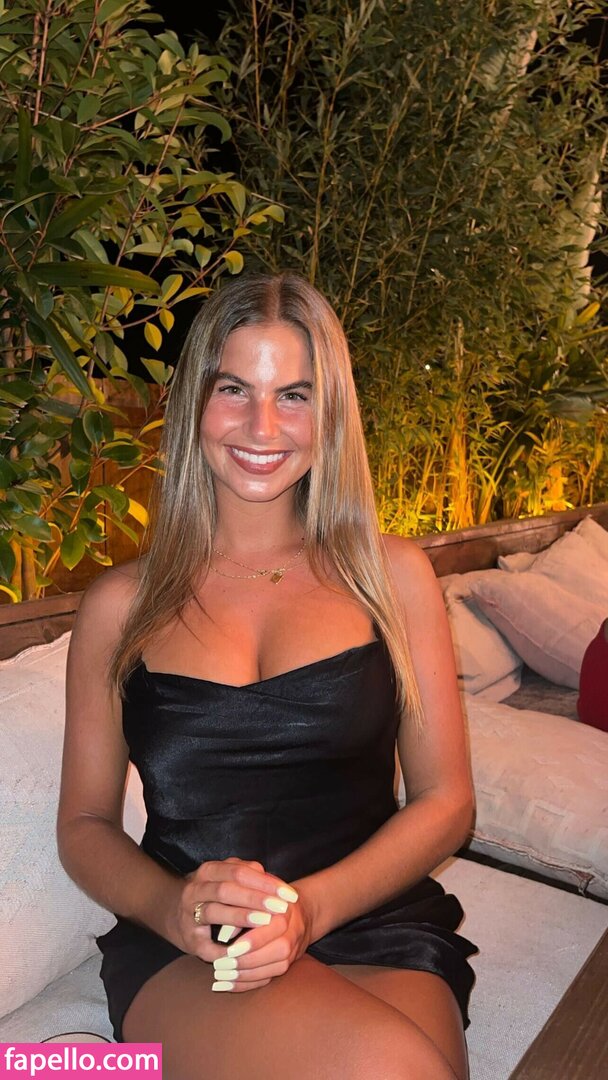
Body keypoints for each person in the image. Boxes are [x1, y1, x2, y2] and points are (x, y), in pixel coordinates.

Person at [57, 272, 478, 1080]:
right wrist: (171, 907)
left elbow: (445, 800)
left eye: (294, 395)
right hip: (195, 940)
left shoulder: (393, 577)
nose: (262, 425)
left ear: (331, 413)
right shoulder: (119, 606)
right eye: (233, 389)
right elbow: (83, 823)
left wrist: (310, 910)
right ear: (194, 403)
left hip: (369, 914)